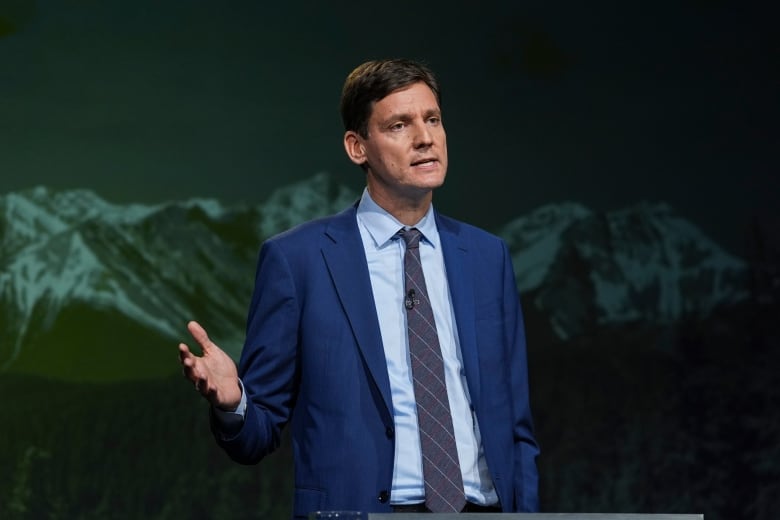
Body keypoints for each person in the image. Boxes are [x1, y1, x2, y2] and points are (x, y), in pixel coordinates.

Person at [178, 58, 540, 518]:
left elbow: (517, 429)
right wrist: (234, 402)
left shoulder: (487, 257)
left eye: (433, 119)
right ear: (357, 147)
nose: (425, 137)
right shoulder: (299, 261)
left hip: (482, 508)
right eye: (399, 125)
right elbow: (258, 432)